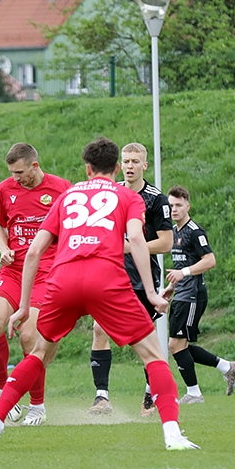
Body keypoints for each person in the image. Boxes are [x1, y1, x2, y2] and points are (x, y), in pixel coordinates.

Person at [0, 137, 199, 451]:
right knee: (153, 355)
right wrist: (151, 292)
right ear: (117, 168)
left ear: (87, 168)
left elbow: (35, 250)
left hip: (63, 278)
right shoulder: (127, 195)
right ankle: (173, 435)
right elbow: (136, 239)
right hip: (105, 278)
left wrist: (24, 306)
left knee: (39, 352)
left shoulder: (68, 194)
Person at [0, 143, 72, 426]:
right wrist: (3, 246)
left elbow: (72, 228)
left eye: (19, 172)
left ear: (35, 165)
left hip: (47, 273)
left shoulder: (62, 189)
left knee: (28, 337)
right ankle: (1, 394)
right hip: (14, 270)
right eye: (11, 173)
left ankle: (37, 406)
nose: (16, 178)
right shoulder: (4, 189)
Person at [88, 143, 172, 417]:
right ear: (119, 164)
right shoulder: (111, 195)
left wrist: (131, 246)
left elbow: (166, 243)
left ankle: (151, 395)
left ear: (145, 165)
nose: (130, 165)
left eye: (135, 161)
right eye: (126, 160)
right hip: (109, 274)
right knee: (99, 329)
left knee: (144, 338)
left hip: (140, 277)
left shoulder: (156, 199)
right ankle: (101, 397)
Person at [162, 185, 235, 403]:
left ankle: (195, 393)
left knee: (175, 345)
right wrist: (172, 286)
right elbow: (183, 264)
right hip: (182, 294)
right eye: (171, 206)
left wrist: (183, 273)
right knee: (179, 345)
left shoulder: (194, 231)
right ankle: (227, 367)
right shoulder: (175, 231)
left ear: (188, 205)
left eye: (178, 205)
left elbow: (210, 261)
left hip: (193, 295)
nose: (174, 209)